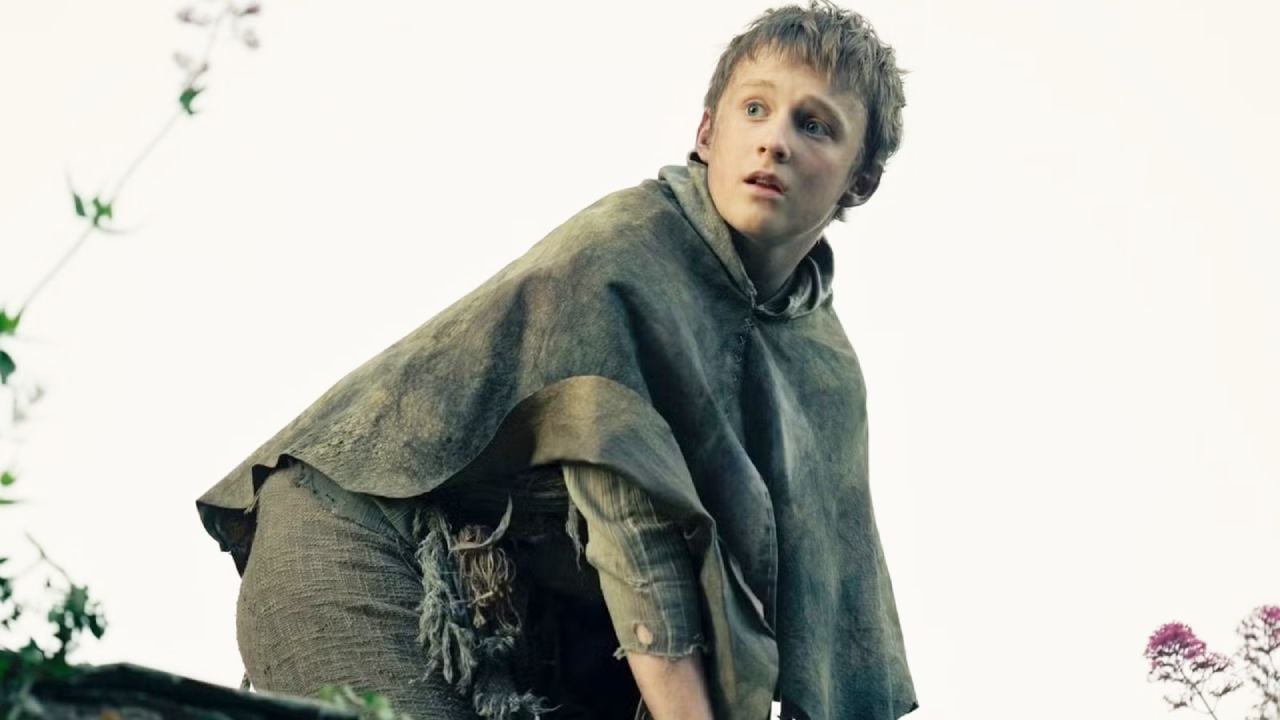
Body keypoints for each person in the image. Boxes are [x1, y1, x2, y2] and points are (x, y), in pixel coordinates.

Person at [196, 2, 918, 718]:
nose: (775, 142)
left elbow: (834, 618)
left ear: (860, 180)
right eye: (754, 110)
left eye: (814, 125)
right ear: (707, 133)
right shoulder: (622, 252)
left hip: (536, 620)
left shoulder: (825, 373)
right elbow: (636, 544)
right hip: (360, 540)